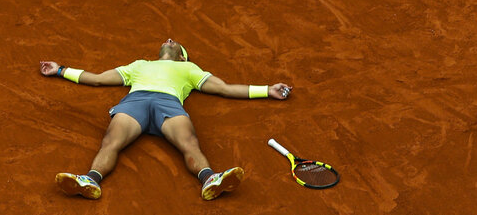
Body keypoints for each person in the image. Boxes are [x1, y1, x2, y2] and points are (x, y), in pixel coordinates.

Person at [39, 38, 292, 201]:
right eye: (168, 40)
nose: (170, 39)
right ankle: (90, 179)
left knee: (189, 143)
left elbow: (225, 88)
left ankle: (209, 179)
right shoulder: (139, 65)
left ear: (182, 56)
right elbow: (96, 78)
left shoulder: (189, 69)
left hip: (168, 103)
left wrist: (267, 89)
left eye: (176, 43)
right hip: (135, 101)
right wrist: (60, 69)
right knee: (110, 142)